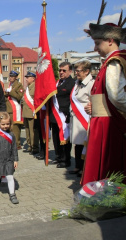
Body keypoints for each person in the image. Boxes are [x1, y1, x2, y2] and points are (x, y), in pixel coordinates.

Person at [81, 8, 126, 185]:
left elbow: (117, 96)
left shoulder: (115, 61)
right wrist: (96, 105)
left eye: (98, 43)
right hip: (102, 119)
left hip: (110, 123)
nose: (95, 48)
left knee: (109, 164)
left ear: (110, 40)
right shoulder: (109, 60)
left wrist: (103, 107)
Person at [69, 61, 94, 177]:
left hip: (85, 119)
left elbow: (93, 101)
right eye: (76, 70)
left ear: (86, 71)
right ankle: (78, 166)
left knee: (85, 144)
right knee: (77, 144)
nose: (76, 73)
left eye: (78, 71)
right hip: (76, 118)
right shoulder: (77, 83)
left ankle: (84, 168)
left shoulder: (91, 84)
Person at [0, 112, 19, 204]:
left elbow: (14, 148)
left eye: (7, 124)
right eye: (3, 124)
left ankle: (12, 194)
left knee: (10, 176)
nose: (5, 126)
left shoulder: (12, 135)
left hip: (9, 160)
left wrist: (15, 159)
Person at [49, 62, 74, 168]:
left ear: (70, 71)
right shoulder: (57, 82)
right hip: (54, 114)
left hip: (64, 115)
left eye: (64, 70)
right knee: (55, 138)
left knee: (64, 138)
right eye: (60, 70)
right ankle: (58, 157)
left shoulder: (72, 83)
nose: (61, 72)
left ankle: (65, 159)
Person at [5, 70, 24, 150]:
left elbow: (19, 96)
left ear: (16, 77)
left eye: (12, 76)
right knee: (10, 128)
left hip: (15, 109)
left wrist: (10, 92)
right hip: (9, 108)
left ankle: (17, 144)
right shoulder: (10, 85)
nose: (10, 78)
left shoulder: (19, 85)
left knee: (15, 128)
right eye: (10, 76)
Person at [22, 71, 39, 155]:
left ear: (33, 78)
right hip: (26, 112)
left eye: (28, 77)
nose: (26, 79)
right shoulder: (28, 87)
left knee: (33, 131)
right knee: (27, 130)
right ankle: (30, 145)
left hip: (32, 112)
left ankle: (35, 146)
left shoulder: (35, 87)